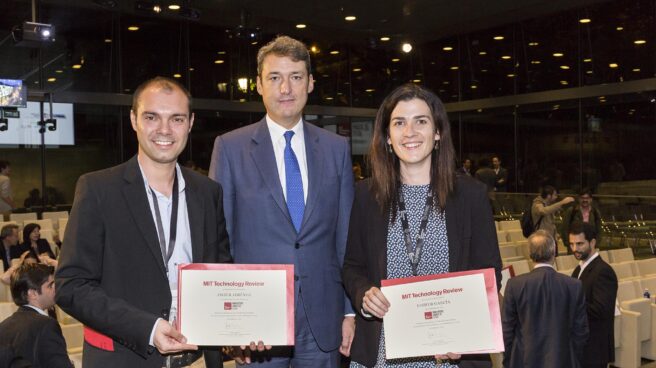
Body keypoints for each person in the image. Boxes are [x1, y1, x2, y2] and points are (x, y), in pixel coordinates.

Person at [55, 77, 232, 368]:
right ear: (134, 120)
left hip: (200, 359)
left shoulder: (208, 192)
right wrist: (148, 328)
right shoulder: (98, 189)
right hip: (128, 358)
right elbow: (70, 285)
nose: (164, 130)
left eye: (176, 119)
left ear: (190, 123)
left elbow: (221, 272)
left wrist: (242, 327)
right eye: (152, 117)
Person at [208, 35, 355, 367]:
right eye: (275, 78)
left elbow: (345, 236)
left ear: (311, 83)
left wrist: (349, 309)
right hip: (257, 324)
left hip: (324, 318)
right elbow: (221, 239)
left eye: (296, 77)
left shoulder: (336, 149)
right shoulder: (230, 149)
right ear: (259, 85)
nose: (285, 88)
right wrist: (230, 323)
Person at [342, 83, 502, 368]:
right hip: (382, 353)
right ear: (388, 137)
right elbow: (352, 266)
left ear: (438, 132)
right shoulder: (366, 195)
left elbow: (489, 272)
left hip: (450, 354)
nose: (410, 132)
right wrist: (364, 295)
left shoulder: (471, 196)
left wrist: (465, 334)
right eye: (399, 123)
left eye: (421, 121)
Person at [502, 230, 588, 368]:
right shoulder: (574, 286)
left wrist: (509, 361)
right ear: (554, 253)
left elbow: (506, 331)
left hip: (523, 361)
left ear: (530, 254)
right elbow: (581, 332)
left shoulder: (514, 285)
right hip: (563, 360)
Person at [0, 263, 73, 368]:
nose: (55, 289)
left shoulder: (3, 326)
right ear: (32, 294)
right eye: (50, 285)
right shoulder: (47, 325)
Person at [570, 222, 618, 368]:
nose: (574, 249)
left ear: (592, 242)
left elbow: (601, 310)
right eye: (571, 244)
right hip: (581, 346)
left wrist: (570, 303)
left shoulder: (603, 271)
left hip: (595, 349)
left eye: (579, 244)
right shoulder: (578, 270)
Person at [560, 188, 603, 253]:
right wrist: (569, 244)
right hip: (574, 246)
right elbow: (564, 229)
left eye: (587, 198)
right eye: (582, 198)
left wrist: (596, 244)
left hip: (590, 246)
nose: (585, 200)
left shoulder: (595, 212)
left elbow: (599, 230)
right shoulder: (572, 211)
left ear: (591, 199)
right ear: (579, 199)